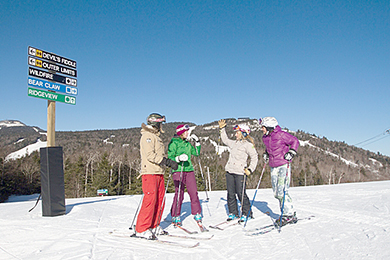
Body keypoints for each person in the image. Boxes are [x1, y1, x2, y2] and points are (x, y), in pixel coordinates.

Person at [134, 113, 178, 239]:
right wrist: (166, 161)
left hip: (158, 172)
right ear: (155, 123)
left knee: (160, 200)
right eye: (160, 123)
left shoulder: (155, 136)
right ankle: (141, 228)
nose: (161, 126)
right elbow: (150, 155)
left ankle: (154, 225)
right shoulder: (147, 136)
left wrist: (166, 162)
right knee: (150, 200)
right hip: (150, 172)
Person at [260, 116, 299, 226]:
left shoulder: (281, 134)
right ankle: (286, 213)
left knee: (283, 190)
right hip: (273, 166)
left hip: (283, 164)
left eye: (263, 127)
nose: (262, 129)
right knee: (276, 193)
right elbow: (269, 148)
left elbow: (295, 141)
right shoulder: (265, 138)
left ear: (269, 127)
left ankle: (289, 214)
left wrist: (291, 152)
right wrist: (266, 154)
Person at [218, 119, 258, 222]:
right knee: (230, 194)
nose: (235, 135)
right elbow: (225, 140)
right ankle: (233, 213)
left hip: (240, 173)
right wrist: (222, 129)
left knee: (241, 193)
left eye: (237, 133)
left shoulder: (248, 145)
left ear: (243, 133)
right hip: (230, 171)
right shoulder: (234, 143)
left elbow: (255, 158)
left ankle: (247, 213)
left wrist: (250, 169)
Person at [168, 124, 202, 226]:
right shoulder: (174, 143)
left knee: (193, 192)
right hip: (178, 170)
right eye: (186, 132)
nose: (188, 133)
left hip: (189, 169)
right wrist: (178, 158)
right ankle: (175, 214)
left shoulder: (187, 144)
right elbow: (170, 156)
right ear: (181, 133)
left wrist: (197, 143)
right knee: (179, 193)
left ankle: (196, 212)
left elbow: (196, 153)